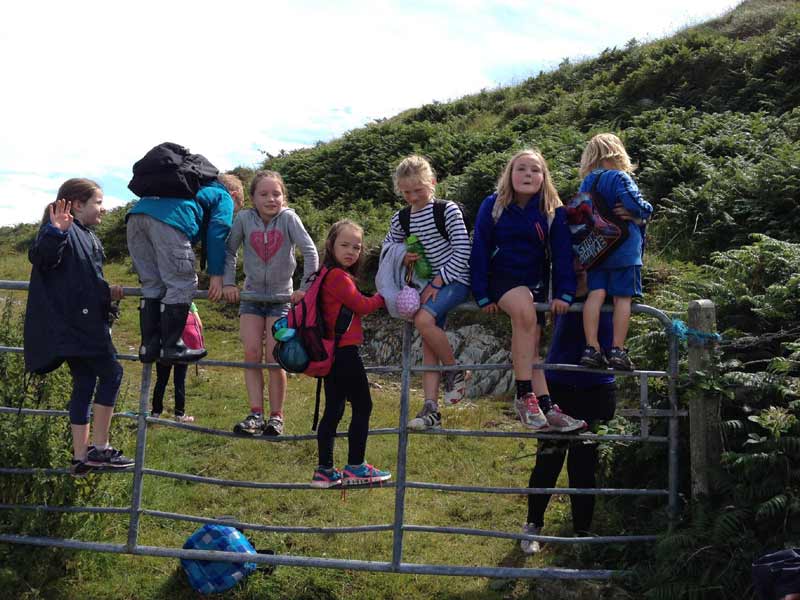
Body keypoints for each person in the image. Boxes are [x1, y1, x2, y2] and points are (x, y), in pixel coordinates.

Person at [24, 179, 134, 476]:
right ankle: (100, 447)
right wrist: (56, 231)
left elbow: (81, 280)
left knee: (84, 383)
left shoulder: (85, 234)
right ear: (76, 204)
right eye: (98, 202)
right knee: (112, 373)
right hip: (80, 325)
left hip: (76, 324)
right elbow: (42, 258)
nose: (103, 208)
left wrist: (106, 292)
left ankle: (81, 456)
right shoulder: (61, 230)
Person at [470, 149, 585, 432]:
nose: (528, 174)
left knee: (532, 345)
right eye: (521, 168)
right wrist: (481, 292)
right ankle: (523, 396)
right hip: (502, 279)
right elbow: (480, 247)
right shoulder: (493, 205)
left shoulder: (552, 210)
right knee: (523, 311)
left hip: (536, 283)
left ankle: (547, 407)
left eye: (535, 170)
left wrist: (564, 293)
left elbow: (561, 254)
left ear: (544, 177)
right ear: (510, 174)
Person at [521, 270, 615, 553]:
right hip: (558, 383)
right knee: (548, 460)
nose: (580, 266)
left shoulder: (609, 290)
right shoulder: (561, 289)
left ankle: (581, 534)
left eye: (585, 262)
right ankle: (533, 525)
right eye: (574, 260)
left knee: (584, 465)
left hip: (596, 387)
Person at [222, 171, 319, 436]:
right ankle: (255, 414)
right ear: (253, 198)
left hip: (280, 299)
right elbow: (229, 251)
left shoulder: (289, 218)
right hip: (252, 297)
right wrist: (229, 283)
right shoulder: (244, 219)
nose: (271, 199)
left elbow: (310, 251)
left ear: (284, 197)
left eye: (276, 194)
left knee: (275, 357)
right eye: (263, 194)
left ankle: (276, 417)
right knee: (251, 353)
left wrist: (305, 289)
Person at [383, 155, 471, 430]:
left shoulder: (447, 210)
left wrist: (438, 282)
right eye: (406, 192)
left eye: (418, 190)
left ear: (432, 182)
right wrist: (402, 254)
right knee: (428, 339)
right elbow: (388, 246)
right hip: (426, 285)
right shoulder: (402, 218)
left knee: (423, 321)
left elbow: (463, 250)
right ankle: (430, 408)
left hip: (456, 279)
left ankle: (455, 370)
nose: (412, 197)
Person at [126, 162, 234, 364]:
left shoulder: (180, 187)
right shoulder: (223, 195)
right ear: (235, 194)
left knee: (152, 283)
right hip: (168, 221)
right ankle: (172, 347)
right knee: (182, 283)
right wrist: (216, 275)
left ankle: (149, 346)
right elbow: (218, 231)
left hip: (135, 217)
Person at [311, 220, 390, 488]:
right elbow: (361, 305)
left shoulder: (324, 273)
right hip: (345, 351)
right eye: (344, 245)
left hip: (331, 352)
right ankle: (356, 466)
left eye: (356, 247)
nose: (351, 251)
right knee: (363, 405)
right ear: (330, 245)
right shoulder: (338, 277)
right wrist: (383, 297)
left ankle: (324, 471)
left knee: (334, 409)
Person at [577, 133, 653, 371]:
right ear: (617, 153)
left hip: (597, 250)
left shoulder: (587, 182)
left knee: (595, 294)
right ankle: (617, 349)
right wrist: (645, 211)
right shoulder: (619, 177)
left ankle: (592, 347)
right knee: (623, 298)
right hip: (624, 249)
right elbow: (634, 205)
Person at [150, 302, 204, 422]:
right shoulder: (189, 303)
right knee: (179, 381)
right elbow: (199, 324)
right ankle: (179, 414)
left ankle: (155, 412)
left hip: (165, 345)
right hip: (182, 347)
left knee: (161, 380)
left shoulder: (162, 300)